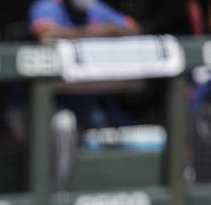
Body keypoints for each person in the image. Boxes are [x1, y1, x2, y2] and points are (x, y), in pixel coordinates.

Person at [26, 0, 142, 190]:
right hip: (34, 108)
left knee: (116, 126)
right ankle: (55, 201)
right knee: (64, 124)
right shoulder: (48, 6)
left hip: (83, 103)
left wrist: (115, 31)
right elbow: (45, 36)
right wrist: (98, 33)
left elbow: (135, 28)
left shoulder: (95, 9)